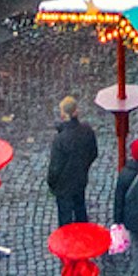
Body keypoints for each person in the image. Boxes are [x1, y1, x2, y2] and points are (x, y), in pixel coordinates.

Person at [48, 95, 100, 229]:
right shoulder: (87, 131)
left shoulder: (60, 140)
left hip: (63, 186)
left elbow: (55, 167)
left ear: (63, 114)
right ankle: (84, 239)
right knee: (80, 210)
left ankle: (67, 244)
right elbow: (93, 153)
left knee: (65, 219)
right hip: (80, 179)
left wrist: (52, 184)